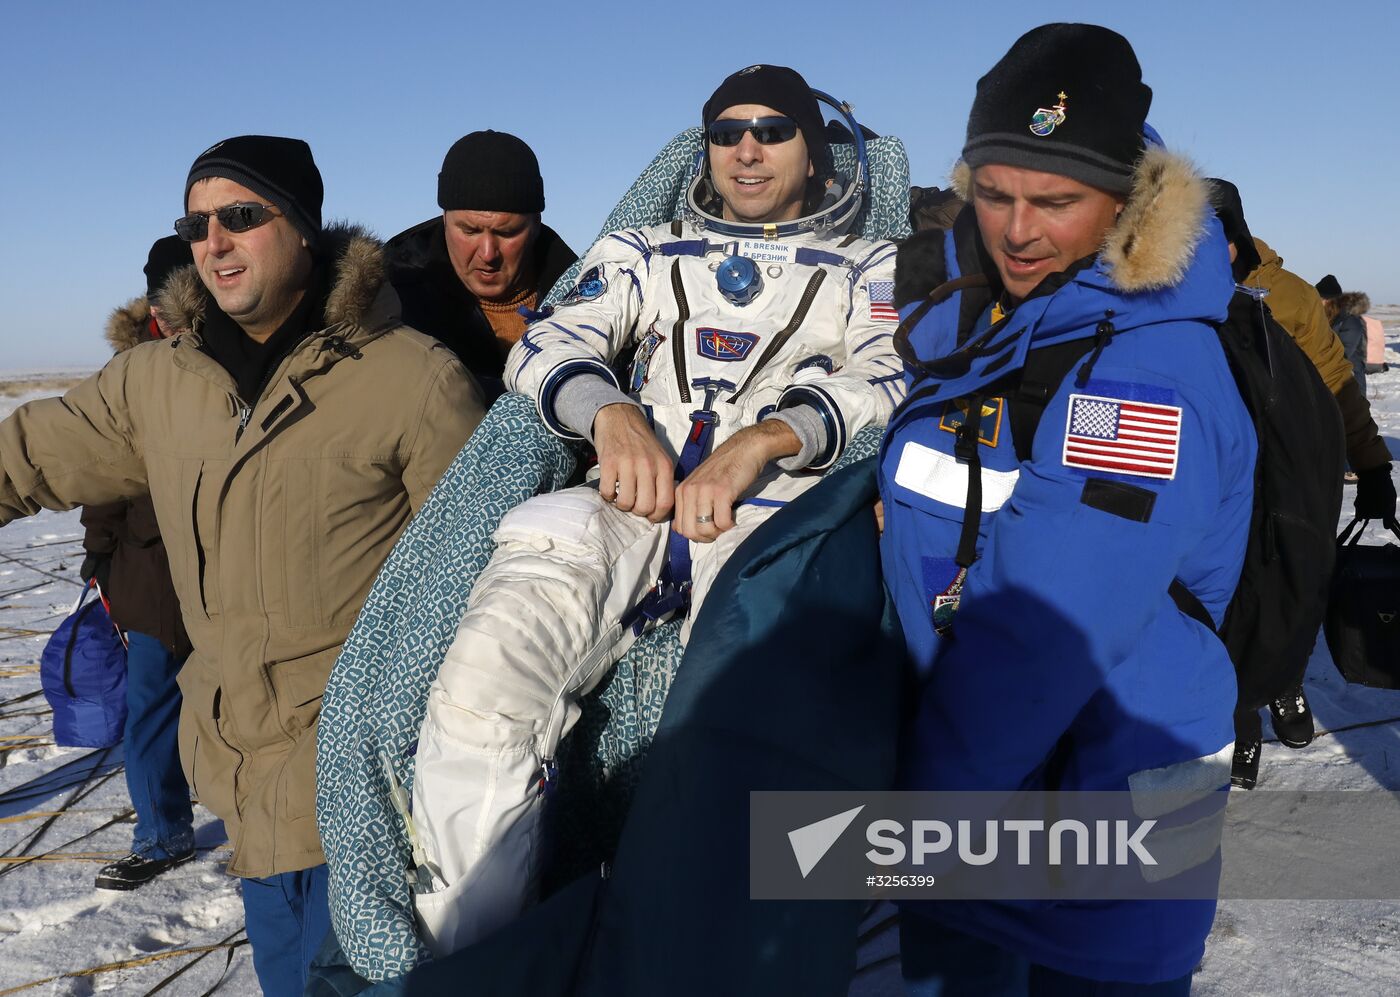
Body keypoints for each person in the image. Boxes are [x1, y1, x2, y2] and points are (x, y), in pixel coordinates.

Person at [408, 64, 905, 957]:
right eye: (726, 132)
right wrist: (609, 412)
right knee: (487, 676)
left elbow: (889, 371)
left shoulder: (871, 264)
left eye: (772, 131)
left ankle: (702, 958)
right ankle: (475, 956)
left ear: (815, 152)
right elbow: (550, 338)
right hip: (636, 497)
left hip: (770, 511)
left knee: (743, 736)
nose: (746, 149)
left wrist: (766, 441)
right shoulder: (645, 251)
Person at [0, 136, 485, 996]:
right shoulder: (157, 381)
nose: (213, 241)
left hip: (366, 803)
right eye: (196, 224)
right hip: (243, 787)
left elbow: (484, 588)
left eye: (240, 215)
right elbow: (31, 453)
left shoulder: (414, 380)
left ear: (301, 227)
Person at [882, 24, 1255, 992]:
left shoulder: (1145, 374)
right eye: (994, 192)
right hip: (994, 793)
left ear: (1127, 204)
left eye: (1054, 201)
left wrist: (912, 832)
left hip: (1100, 823)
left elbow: (1046, 630)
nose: (1016, 229)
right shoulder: (1002, 312)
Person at [1208, 180, 1396, 779]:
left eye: (1215, 237)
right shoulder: (1169, 294)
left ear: (1236, 236)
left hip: (1296, 470)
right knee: (1224, 598)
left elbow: (1337, 380)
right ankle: (1238, 716)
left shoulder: (1287, 295)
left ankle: (1285, 682)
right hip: (1219, 477)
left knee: (1295, 583)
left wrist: (1372, 464)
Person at [81, 235, 197, 891]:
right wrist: (99, 557)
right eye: (162, 298)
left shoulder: (235, 356)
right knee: (152, 703)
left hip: (234, 565)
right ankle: (161, 833)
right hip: (150, 574)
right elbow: (100, 476)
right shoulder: (126, 373)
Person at [386, 130, 577, 398]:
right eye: (470, 231)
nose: (488, 254)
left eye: (507, 233)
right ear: (444, 219)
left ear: (536, 224)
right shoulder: (388, 305)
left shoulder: (592, 299)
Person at [1316, 273, 1370, 398]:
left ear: (1328, 300)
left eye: (1319, 299)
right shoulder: (1326, 318)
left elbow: (1343, 354)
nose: (1317, 303)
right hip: (1331, 381)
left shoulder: (1350, 321)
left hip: (1349, 384)